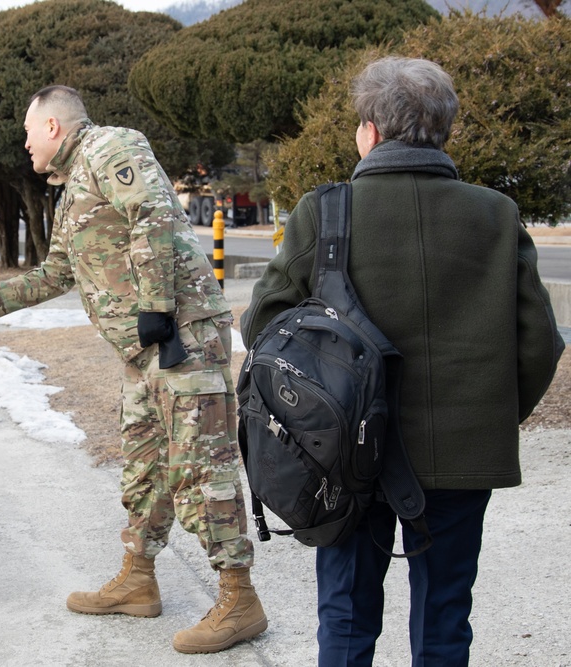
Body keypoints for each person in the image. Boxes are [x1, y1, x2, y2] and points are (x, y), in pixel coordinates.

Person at [240, 56, 565, 666]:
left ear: (370, 129)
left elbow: (264, 326)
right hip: (462, 453)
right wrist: (487, 414)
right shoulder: (495, 213)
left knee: (345, 616)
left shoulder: (325, 209)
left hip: (341, 455)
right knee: (445, 619)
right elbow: (540, 342)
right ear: (444, 128)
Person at [0, 85, 268, 654]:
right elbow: (54, 274)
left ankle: (239, 598)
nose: (24, 143)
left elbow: (149, 214)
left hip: (181, 336)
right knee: (145, 466)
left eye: (28, 131)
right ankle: (138, 579)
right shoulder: (71, 186)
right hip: (142, 350)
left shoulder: (111, 146)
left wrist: (156, 308)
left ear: (52, 126)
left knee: (201, 464)